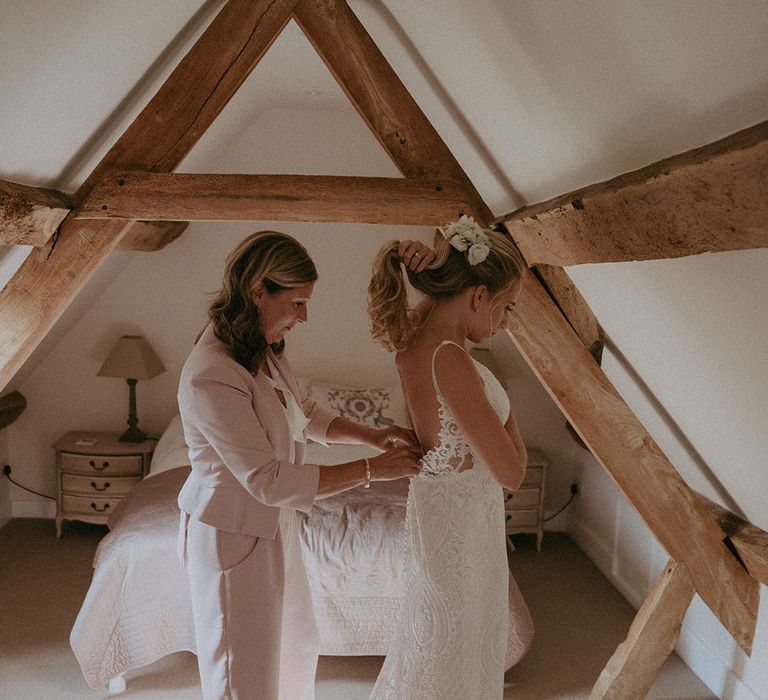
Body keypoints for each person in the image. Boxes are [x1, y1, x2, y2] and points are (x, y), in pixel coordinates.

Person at [176, 230, 424, 700]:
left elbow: (303, 413)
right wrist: (374, 469)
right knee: (241, 673)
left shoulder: (261, 350)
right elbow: (267, 479)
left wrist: (372, 435)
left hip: (276, 525)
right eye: (297, 303)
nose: (304, 316)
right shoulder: (212, 373)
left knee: (294, 648)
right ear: (258, 292)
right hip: (233, 533)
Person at [367, 216, 534, 699]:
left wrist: (431, 270)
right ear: (479, 296)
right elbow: (512, 472)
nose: (503, 325)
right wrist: (508, 412)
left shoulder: (414, 341)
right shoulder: (451, 358)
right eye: (505, 308)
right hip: (462, 531)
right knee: (456, 654)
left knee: (438, 652)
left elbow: (439, 307)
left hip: (445, 518)